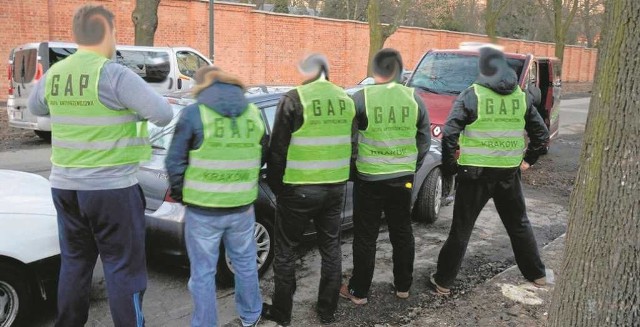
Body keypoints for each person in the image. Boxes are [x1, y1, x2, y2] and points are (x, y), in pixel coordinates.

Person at [27, 5, 173, 326]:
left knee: (75, 263)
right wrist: (132, 110)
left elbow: (37, 106)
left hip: (65, 187)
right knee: (124, 269)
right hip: (112, 191)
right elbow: (163, 114)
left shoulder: (56, 73)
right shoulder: (112, 73)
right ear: (107, 33)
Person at [428, 46, 549, 295]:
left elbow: (450, 133)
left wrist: (451, 166)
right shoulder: (521, 96)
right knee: (519, 225)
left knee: (461, 229)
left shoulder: (472, 95)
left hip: (474, 174)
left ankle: (443, 282)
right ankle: (537, 275)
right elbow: (541, 134)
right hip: (507, 172)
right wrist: (529, 159)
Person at [165, 66, 265, 327]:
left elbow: (174, 162)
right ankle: (251, 317)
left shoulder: (194, 113)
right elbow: (260, 154)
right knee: (245, 265)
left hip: (203, 211)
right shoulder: (253, 112)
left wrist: (183, 195)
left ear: (202, 85)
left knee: (203, 274)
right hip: (242, 208)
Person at [261, 54, 355, 325]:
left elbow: (277, 151)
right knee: (331, 248)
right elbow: (352, 144)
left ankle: (282, 312)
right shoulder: (345, 99)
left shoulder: (294, 99)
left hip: (299, 188)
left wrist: (279, 188)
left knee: (286, 250)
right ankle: (327, 311)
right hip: (335, 186)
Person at [339, 48, 430, 305]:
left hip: (369, 178)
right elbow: (424, 140)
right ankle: (403, 286)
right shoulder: (414, 98)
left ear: (376, 70)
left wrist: (353, 167)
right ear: (399, 71)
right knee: (402, 232)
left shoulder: (361, 98)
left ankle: (359, 291)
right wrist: (411, 166)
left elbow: (348, 138)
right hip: (403, 178)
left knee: (366, 235)